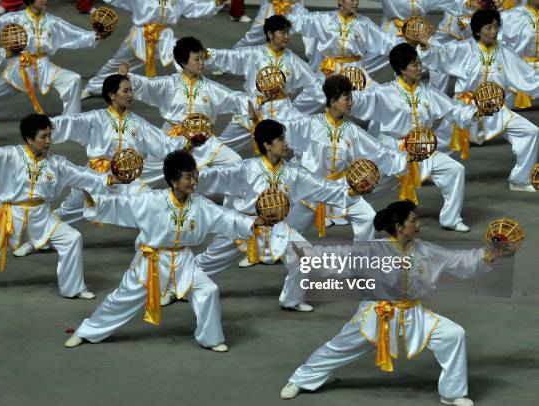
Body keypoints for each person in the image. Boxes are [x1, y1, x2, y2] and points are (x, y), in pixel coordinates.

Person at [280, 200, 508, 406]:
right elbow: (333, 257)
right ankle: (300, 380)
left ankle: (452, 393)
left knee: (453, 334)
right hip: (376, 314)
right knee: (340, 348)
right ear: (399, 227)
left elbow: (456, 259)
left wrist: (486, 255)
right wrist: (298, 253)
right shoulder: (370, 250)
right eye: (413, 220)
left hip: (413, 313)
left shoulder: (425, 251)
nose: (418, 225)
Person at [64, 150, 264, 352]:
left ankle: (211, 339)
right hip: (151, 262)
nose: (194, 181)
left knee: (208, 290)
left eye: (194, 175)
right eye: (188, 177)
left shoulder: (201, 205)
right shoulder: (152, 201)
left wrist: (253, 222)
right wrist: (96, 202)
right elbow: (123, 204)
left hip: (184, 262)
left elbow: (225, 217)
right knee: (121, 299)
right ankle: (86, 331)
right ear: (173, 181)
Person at [0, 114, 127, 298]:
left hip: (41, 215)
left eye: (49, 136)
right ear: (29, 139)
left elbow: (82, 176)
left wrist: (111, 180)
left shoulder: (58, 164)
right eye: (43, 137)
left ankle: (73, 288)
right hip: (9, 215)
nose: (48, 141)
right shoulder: (10, 156)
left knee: (72, 238)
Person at [12, 73, 188, 257]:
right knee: (67, 211)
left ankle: (164, 246)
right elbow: (67, 123)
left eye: (131, 91)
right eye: (125, 91)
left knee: (150, 202)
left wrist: (188, 142)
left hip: (126, 180)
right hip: (94, 177)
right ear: (112, 95)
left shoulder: (138, 123)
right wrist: (39, 127)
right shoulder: (95, 119)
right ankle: (36, 241)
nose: (130, 95)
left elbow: (163, 143)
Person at [193, 119, 349, 311]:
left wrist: (350, 190)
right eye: (280, 139)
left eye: (284, 138)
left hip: (278, 227)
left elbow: (322, 186)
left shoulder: (293, 172)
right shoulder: (246, 168)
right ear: (267, 145)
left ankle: (291, 299)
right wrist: (188, 174)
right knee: (207, 262)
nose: (286, 143)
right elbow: (215, 176)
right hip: (245, 225)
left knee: (304, 257)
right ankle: (177, 287)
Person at [347, 43, 483, 232]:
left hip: (424, 150)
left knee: (454, 170)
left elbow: (453, 108)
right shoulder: (384, 92)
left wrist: (475, 113)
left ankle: (451, 219)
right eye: (414, 65)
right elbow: (360, 103)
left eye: (420, 63)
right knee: (371, 186)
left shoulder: (428, 92)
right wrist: (346, 92)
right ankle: (346, 208)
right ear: (402, 70)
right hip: (393, 151)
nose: (420, 68)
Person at [420, 9, 539, 192]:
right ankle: (414, 174)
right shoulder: (463, 49)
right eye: (488, 27)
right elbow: (439, 56)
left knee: (530, 132)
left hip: (495, 110)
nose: (494, 31)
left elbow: (528, 77)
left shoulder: (504, 52)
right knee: (438, 143)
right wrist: (426, 47)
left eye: (496, 27)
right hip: (466, 108)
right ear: (477, 31)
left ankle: (520, 180)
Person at [282, 75, 409, 242]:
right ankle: (266, 253)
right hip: (313, 189)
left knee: (368, 217)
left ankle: (361, 257)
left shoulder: (353, 131)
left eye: (351, 98)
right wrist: (257, 121)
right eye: (346, 98)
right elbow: (281, 130)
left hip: (342, 189)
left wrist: (407, 157)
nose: (350, 103)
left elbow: (379, 151)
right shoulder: (310, 125)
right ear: (333, 101)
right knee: (286, 234)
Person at [119, 37, 249, 184]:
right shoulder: (169, 84)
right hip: (171, 139)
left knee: (235, 163)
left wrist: (257, 101)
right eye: (197, 59)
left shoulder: (211, 88)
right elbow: (147, 85)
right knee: (141, 180)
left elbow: (234, 98)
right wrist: (128, 77)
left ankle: (212, 198)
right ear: (183, 62)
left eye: (202, 58)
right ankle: (120, 199)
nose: (202, 63)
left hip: (203, 140)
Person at [0, 0, 107, 117]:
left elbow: (73, 33)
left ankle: (71, 121)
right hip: (20, 67)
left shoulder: (52, 21)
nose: (45, 0)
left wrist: (92, 36)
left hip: (44, 66)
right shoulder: (15, 18)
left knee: (73, 80)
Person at [204, 15, 316, 151]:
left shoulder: (293, 60)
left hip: (282, 111)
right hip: (254, 108)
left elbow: (315, 83)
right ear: (270, 34)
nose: (286, 36)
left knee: (309, 141)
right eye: (282, 32)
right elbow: (231, 56)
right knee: (220, 149)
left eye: (287, 32)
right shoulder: (255, 54)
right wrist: (209, 55)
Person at [81, 0, 227, 98]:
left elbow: (194, 7)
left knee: (192, 56)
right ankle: (93, 87)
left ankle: (220, 66)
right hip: (140, 36)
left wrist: (216, 4)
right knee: (118, 63)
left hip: (164, 38)